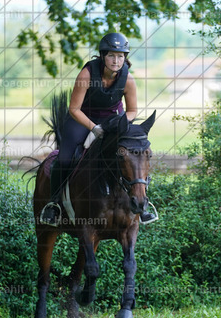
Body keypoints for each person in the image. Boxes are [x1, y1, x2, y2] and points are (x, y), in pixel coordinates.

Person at [40, 32, 157, 227]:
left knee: (134, 154)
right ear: (103, 56)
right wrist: (94, 128)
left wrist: (119, 123)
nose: (116, 60)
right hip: (81, 119)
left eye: (120, 56)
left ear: (125, 58)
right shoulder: (87, 74)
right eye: (111, 55)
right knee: (65, 159)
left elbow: (132, 111)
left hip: (114, 120)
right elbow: (74, 109)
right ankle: (54, 204)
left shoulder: (128, 79)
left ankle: (142, 205)